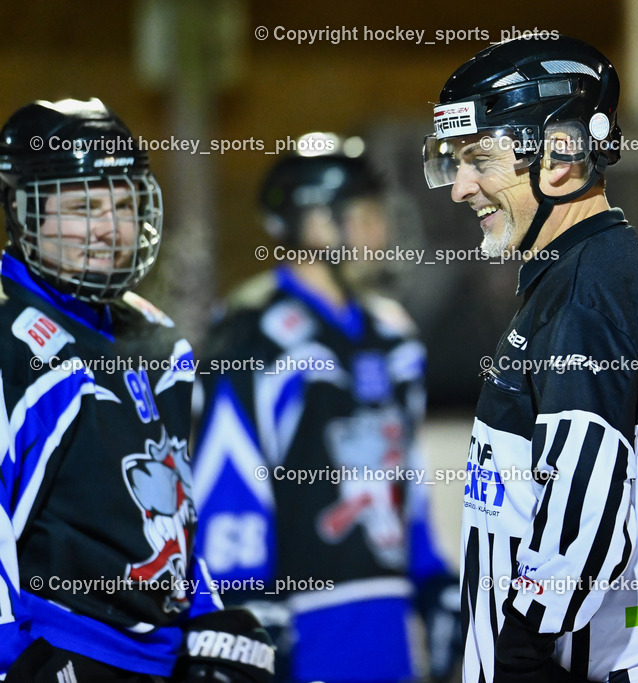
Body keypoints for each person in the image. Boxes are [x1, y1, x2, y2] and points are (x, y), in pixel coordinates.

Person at [423, 36, 638, 683]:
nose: (460, 188)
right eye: (453, 162)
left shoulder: (588, 291)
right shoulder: (602, 275)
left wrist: (521, 650)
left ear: (561, 153)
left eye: (478, 159)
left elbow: (585, 503)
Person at [0, 98, 273, 681]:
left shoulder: (158, 338)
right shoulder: (11, 342)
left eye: (123, 203)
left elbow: (171, 514)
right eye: (83, 207)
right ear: (24, 213)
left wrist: (208, 620)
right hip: (61, 649)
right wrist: (15, 660)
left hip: (157, 658)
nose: (110, 228)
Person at [191, 135, 460, 683]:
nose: (380, 233)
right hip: (301, 625)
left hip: (390, 621)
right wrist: (242, 611)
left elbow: (405, 474)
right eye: (363, 218)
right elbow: (228, 480)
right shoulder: (253, 337)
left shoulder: (393, 337)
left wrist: (434, 583)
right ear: (315, 227)